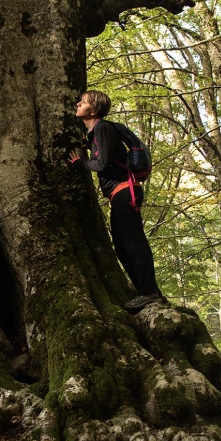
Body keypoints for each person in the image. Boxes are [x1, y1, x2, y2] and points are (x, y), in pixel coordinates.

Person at [70, 90, 166, 312]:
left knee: (133, 242)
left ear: (93, 110)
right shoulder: (96, 133)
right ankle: (146, 291)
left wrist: (80, 163)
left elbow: (101, 164)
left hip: (126, 192)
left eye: (82, 102)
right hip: (120, 195)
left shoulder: (102, 128)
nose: (78, 103)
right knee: (122, 247)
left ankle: (150, 292)